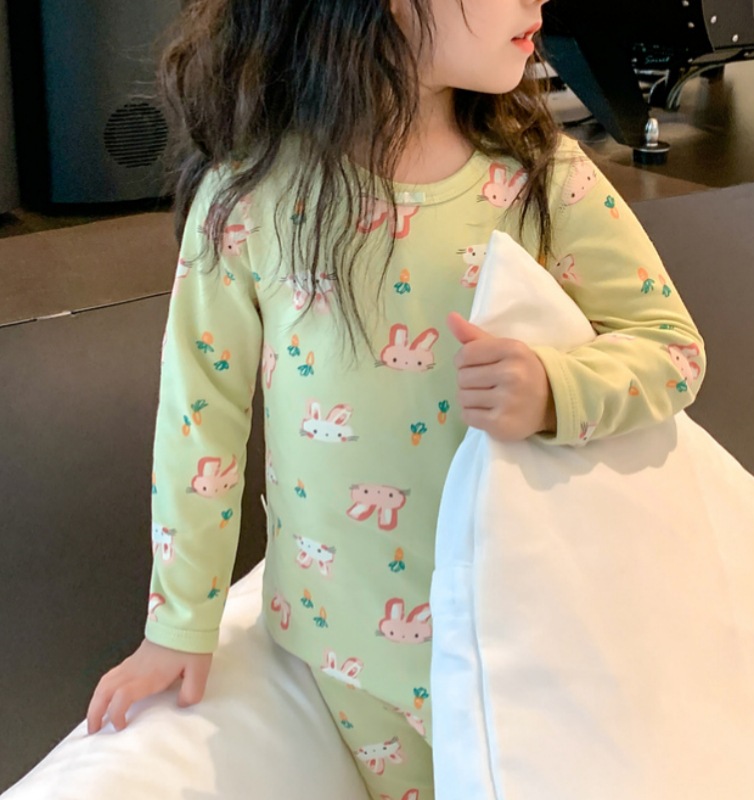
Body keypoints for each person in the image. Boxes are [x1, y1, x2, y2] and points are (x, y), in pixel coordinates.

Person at [86, 0, 705, 797]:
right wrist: (178, 625)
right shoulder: (249, 198)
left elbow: (673, 346)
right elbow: (200, 423)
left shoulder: (542, 174)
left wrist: (558, 391)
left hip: (534, 642)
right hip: (346, 655)